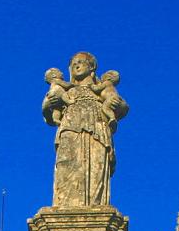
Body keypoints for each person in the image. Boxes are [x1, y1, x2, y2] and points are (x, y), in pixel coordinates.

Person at [42, 52, 129, 207]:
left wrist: (116, 104)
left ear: (92, 67)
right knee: (66, 164)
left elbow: (123, 106)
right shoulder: (65, 88)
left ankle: (95, 204)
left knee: (96, 166)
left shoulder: (98, 89)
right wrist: (50, 103)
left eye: (82, 62)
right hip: (69, 127)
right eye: (74, 63)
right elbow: (46, 108)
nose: (77, 65)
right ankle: (64, 205)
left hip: (97, 128)